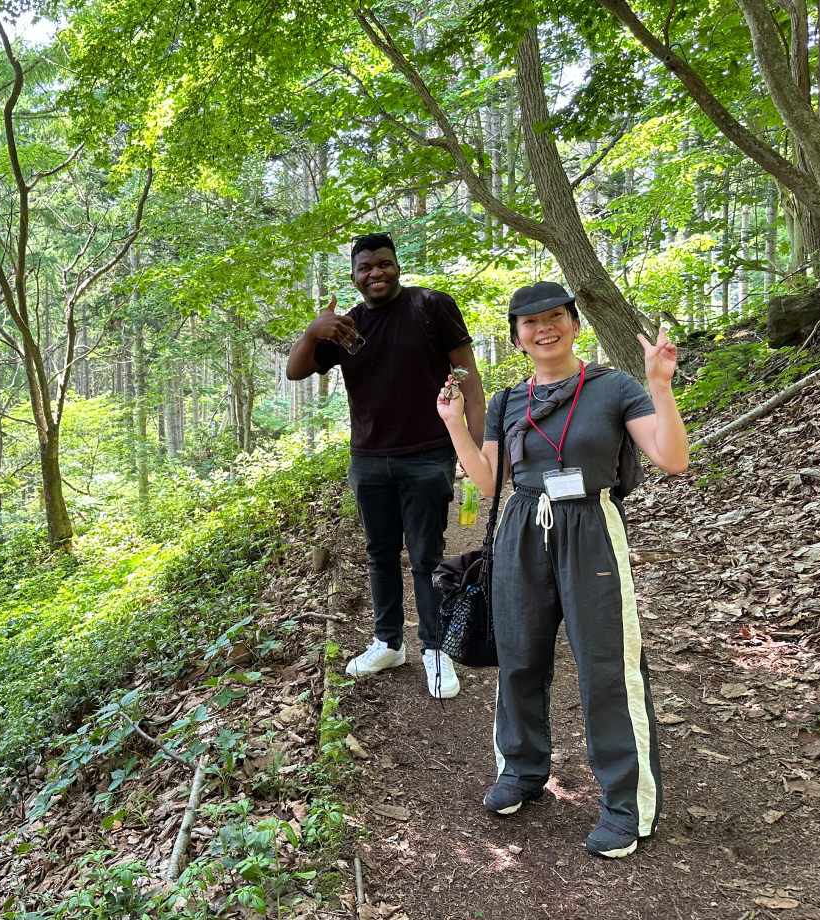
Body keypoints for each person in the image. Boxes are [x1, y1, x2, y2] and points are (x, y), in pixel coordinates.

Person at [435, 281, 688, 858]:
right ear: (516, 336)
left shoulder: (616, 388)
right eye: (529, 321)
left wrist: (660, 385)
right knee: (519, 655)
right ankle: (522, 770)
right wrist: (455, 425)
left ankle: (628, 805)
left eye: (554, 316)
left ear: (574, 323)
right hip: (520, 528)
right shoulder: (505, 402)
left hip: (591, 529)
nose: (543, 328)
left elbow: (672, 459)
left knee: (607, 666)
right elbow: (489, 483)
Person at [286, 232, 484, 698]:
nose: (375, 272)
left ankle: (435, 650)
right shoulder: (346, 327)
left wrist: (475, 450)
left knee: (425, 556)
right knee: (379, 555)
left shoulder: (431, 306)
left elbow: (469, 380)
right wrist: (314, 330)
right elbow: (295, 371)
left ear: (397, 266)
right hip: (368, 459)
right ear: (354, 276)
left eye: (384, 263)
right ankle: (387, 643)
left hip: (429, 454)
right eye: (365, 267)